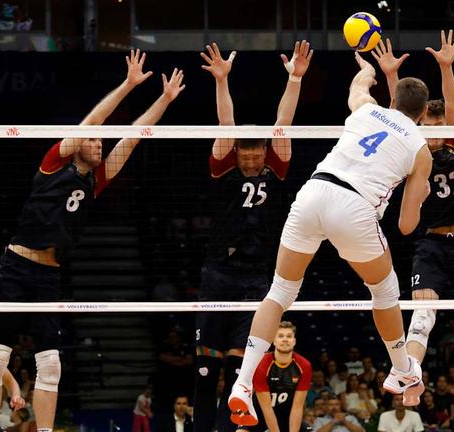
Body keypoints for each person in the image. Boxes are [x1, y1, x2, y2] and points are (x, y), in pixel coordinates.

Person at [0, 49, 185, 432]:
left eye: (101, 141)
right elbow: (95, 119)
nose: (100, 142)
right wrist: (127, 85)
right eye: (93, 139)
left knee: (52, 364)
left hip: (49, 276)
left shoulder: (96, 180)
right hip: (17, 266)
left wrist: (164, 99)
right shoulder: (54, 162)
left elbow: (132, 139)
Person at [227, 51, 432, 427]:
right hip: (355, 208)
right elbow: (406, 225)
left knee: (279, 293)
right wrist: (422, 192)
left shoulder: (367, 110)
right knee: (385, 290)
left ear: (393, 101)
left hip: (313, 192)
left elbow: (357, 87)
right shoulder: (421, 148)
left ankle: (242, 384)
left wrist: (368, 70)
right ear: (422, 113)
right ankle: (402, 368)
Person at [371, 32, 454, 430]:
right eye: (425, 125)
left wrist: (446, 68)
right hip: (430, 244)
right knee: (422, 319)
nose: (431, 131)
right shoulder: (412, 157)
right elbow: (387, 123)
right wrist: (389, 78)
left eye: (437, 124)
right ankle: (410, 379)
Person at [193, 39, 312, 432]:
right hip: (217, 272)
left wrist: (294, 79)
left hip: (255, 275)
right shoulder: (223, 166)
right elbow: (225, 126)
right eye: (245, 151)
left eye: (257, 149)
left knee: (243, 361)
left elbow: (284, 123)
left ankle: (240, 427)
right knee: (207, 364)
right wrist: (221, 82)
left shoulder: (275, 168)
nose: (252, 156)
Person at [240, 321, 311, 432]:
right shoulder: (262, 364)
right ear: (274, 341)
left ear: (294, 341)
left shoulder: (304, 365)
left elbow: (297, 407)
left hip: (287, 415)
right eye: (281, 336)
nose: (285, 339)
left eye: (289, 336)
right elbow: (267, 409)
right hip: (259, 414)